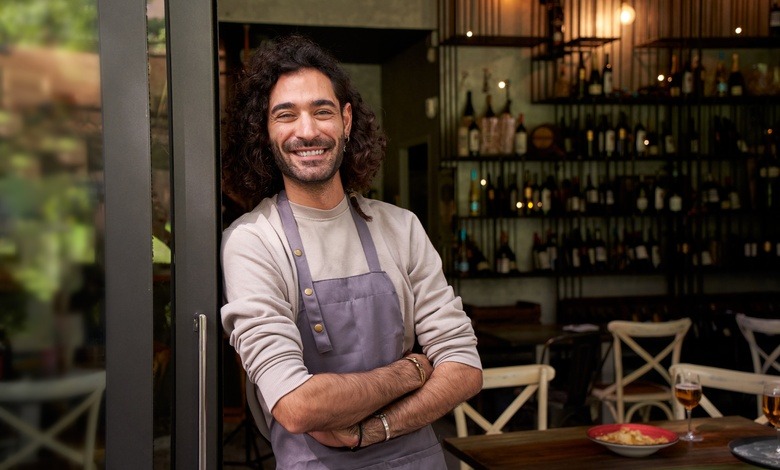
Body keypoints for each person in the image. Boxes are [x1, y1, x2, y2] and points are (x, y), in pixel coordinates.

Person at [220, 34, 483, 469]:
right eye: (286, 115)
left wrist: (370, 430)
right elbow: (297, 405)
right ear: (264, 132)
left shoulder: (401, 227)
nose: (307, 131)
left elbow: (464, 367)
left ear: (345, 120)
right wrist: (412, 370)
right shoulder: (253, 241)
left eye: (322, 111)